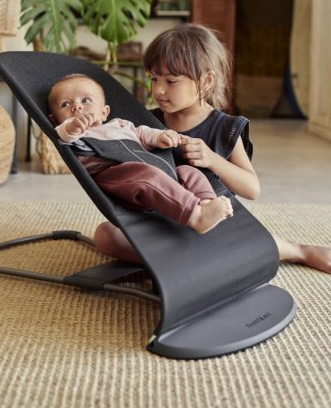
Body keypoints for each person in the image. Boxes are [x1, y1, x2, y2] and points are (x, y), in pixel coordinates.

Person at [94, 23, 331, 273]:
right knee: (105, 236)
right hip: (163, 221)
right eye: (154, 79)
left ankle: (298, 250)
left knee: (245, 240)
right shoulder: (148, 123)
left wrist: (213, 159)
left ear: (206, 80)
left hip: (214, 224)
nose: (158, 90)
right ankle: (193, 258)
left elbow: (252, 189)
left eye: (171, 81)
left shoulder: (224, 127)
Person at [48, 73, 233, 238]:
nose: (77, 107)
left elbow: (143, 133)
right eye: (66, 104)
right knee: (148, 176)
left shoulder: (121, 125)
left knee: (187, 171)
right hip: (122, 181)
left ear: (104, 112)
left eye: (86, 100)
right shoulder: (75, 136)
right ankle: (196, 216)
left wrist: (160, 137)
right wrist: (72, 127)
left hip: (161, 177)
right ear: (55, 119)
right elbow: (63, 134)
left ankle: (206, 204)